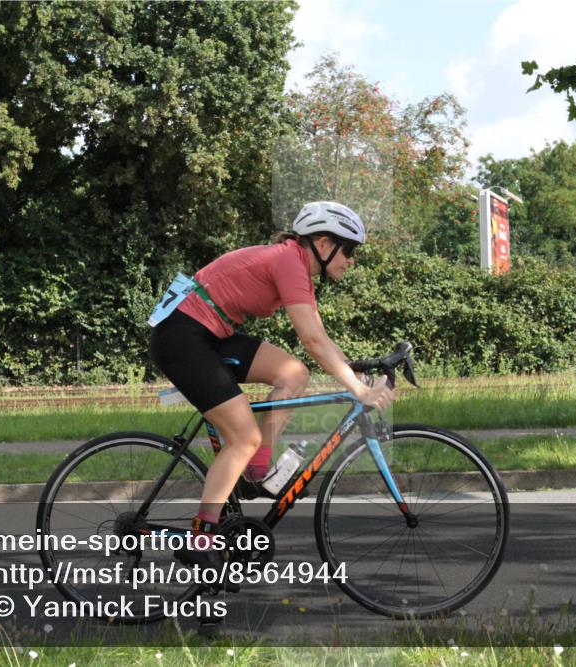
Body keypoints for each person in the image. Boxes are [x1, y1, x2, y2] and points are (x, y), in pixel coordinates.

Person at [149, 201, 395, 573]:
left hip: (211, 333)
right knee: (242, 438)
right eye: (350, 250)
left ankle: (257, 474)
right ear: (325, 245)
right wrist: (359, 391)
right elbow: (312, 340)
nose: (352, 260)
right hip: (183, 337)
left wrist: (356, 377)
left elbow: (321, 340)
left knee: (293, 374)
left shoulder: (297, 266)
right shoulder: (288, 262)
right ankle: (201, 540)